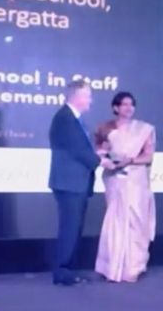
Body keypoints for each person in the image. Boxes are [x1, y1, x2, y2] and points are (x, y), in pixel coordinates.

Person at [48, 79, 108, 286]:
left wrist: (97, 154)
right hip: (69, 183)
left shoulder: (72, 118)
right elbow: (77, 151)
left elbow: (78, 149)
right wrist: (100, 160)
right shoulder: (65, 118)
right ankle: (63, 272)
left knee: (73, 229)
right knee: (70, 229)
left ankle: (68, 271)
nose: (91, 100)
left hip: (74, 183)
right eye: (88, 96)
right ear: (77, 96)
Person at [93, 91, 156, 283]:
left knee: (136, 222)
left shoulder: (144, 129)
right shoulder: (105, 128)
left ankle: (133, 268)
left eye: (131, 104)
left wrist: (130, 160)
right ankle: (112, 268)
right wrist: (108, 159)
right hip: (115, 179)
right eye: (125, 104)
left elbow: (148, 156)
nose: (129, 108)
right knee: (116, 221)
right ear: (116, 107)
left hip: (136, 181)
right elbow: (100, 151)